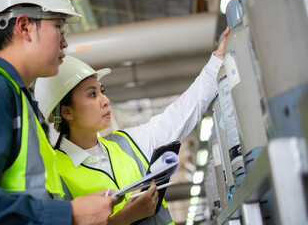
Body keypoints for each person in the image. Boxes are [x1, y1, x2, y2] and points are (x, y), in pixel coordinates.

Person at [0, 0, 120, 224]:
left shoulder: (17, 99)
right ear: (24, 27)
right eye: (59, 27)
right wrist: (68, 213)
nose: (65, 43)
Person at [33, 27, 229, 225]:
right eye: (92, 94)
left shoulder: (127, 143)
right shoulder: (53, 172)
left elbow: (181, 114)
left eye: (102, 91)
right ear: (67, 112)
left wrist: (217, 61)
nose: (105, 100)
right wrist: (126, 217)